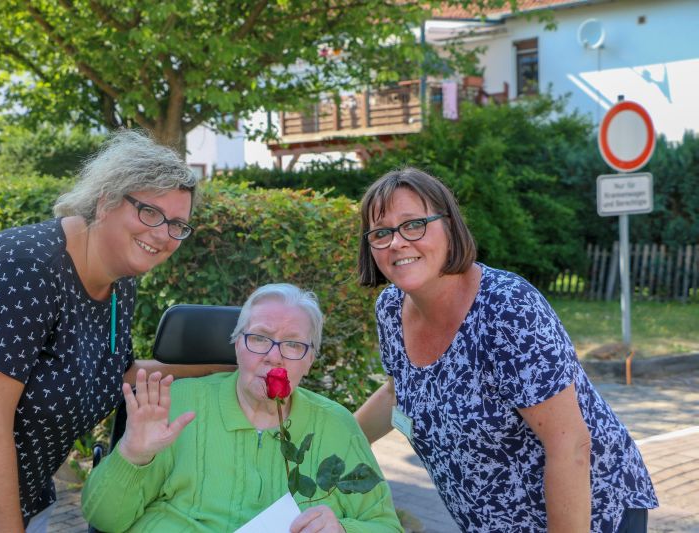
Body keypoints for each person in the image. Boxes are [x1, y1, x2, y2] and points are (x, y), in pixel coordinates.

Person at [0, 130, 201, 532]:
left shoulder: (119, 279)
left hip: (21, 501)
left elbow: (117, 374)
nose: (163, 235)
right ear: (106, 199)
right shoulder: (25, 268)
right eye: (149, 212)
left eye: (178, 224)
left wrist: (225, 368)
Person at [353, 168, 657, 532]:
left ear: (448, 226)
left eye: (414, 224)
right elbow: (398, 389)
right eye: (381, 232)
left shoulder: (507, 309)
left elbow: (569, 444)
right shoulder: (390, 308)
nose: (397, 242)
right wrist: (333, 440)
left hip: (591, 513)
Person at [82, 283, 402, 532]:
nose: (274, 356)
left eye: (293, 344)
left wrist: (343, 530)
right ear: (237, 344)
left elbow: (385, 525)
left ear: (309, 360)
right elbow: (104, 519)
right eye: (260, 338)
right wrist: (132, 455)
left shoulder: (336, 425)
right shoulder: (175, 403)